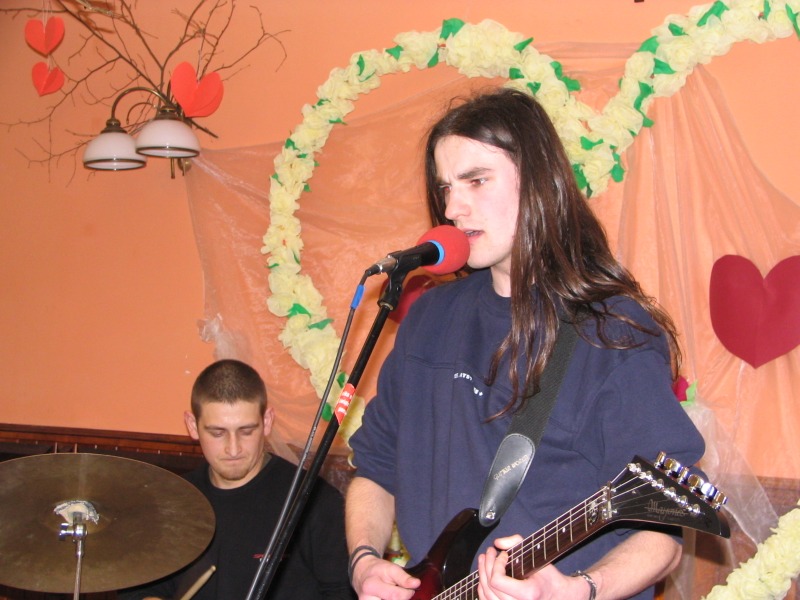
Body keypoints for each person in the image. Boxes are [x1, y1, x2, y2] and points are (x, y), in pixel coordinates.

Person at [345, 88, 706, 600]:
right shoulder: (428, 318)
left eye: (476, 180)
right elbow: (375, 469)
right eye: (446, 187)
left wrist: (580, 589)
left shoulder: (612, 334)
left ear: (538, 181)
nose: (452, 207)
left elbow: (662, 530)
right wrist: (364, 561)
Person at [120, 359, 355, 600]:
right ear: (192, 425)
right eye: (217, 433)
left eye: (246, 431)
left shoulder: (315, 501)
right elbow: (140, 589)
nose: (233, 449)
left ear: (267, 421)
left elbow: (342, 592)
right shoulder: (172, 502)